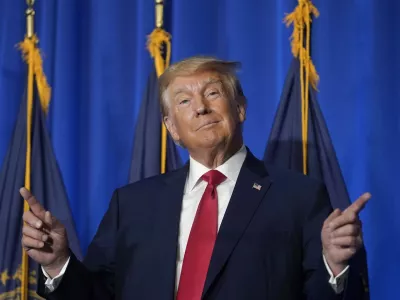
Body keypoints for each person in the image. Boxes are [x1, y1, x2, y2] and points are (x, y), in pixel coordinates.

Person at [21, 56, 369, 300]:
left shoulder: (300, 196)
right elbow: (95, 295)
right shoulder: (132, 203)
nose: (200, 107)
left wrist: (334, 265)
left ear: (241, 108)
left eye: (213, 93)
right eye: (184, 101)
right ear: (172, 128)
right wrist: (58, 263)